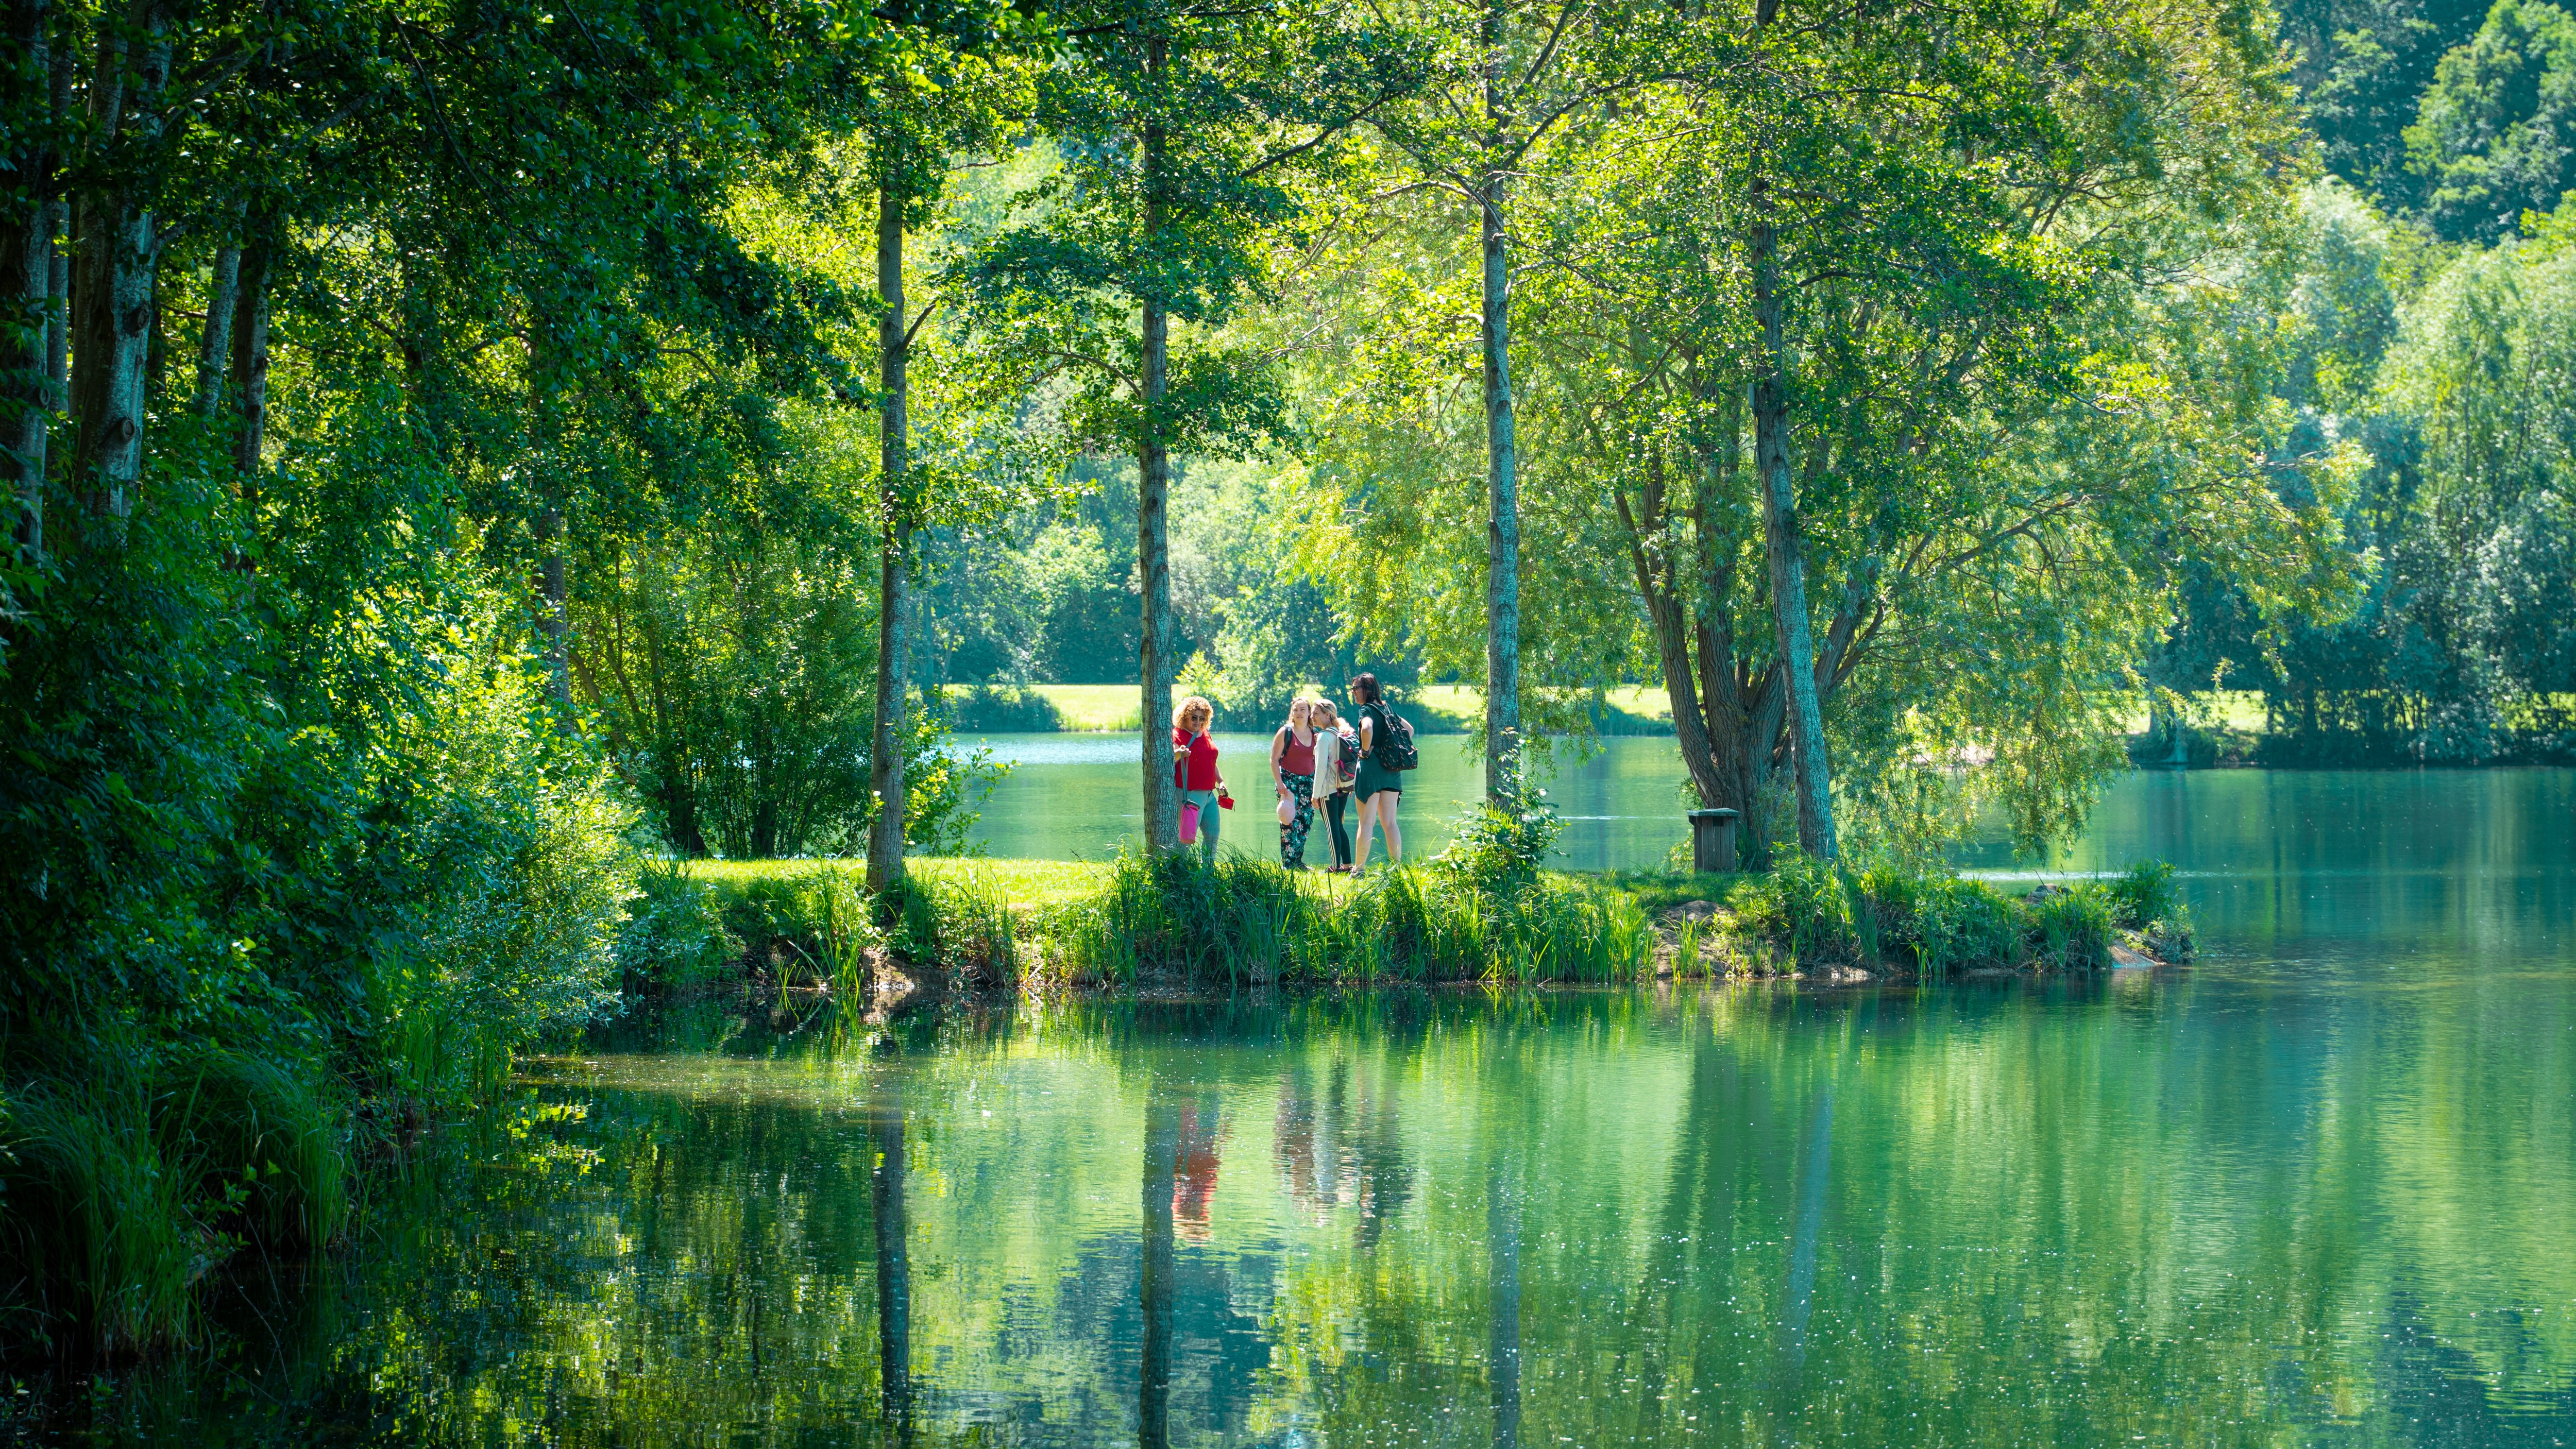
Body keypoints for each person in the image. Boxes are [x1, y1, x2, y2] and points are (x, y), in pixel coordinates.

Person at [1348, 673, 1403, 873]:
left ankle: (1359, 870)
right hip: (1391, 770)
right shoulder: (1387, 708)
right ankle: (1396, 869)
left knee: (1366, 822)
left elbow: (1367, 728)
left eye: (1356, 688)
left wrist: (1364, 750)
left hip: (1371, 768)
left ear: (1368, 690)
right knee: (1390, 823)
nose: (1353, 692)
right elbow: (1409, 730)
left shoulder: (1366, 709)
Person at [1171, 696, 1226, 862]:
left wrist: (1221, 782)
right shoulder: (1176, 735)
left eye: (1202, 718)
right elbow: (1169, 759)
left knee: (1213, 836)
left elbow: (1211, 761)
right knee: (1186, 840)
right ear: (1185, 716)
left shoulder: (1206, 734)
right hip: (1189, 796)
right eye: (1194, 717)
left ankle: (1208, 872)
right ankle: (1179, 871)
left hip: (1209, 796)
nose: (1198, 722)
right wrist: (1180, 753)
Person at [1270, 697, 1321, 868]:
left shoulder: (1315, 734)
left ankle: (1298, 861)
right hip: (1288, 782)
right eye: (1296, 710)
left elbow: (1318, 762)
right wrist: (1279, 782)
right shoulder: (1286, 732)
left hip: (1308, 783)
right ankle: (1288, 863)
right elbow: (1274, 759)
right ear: (1292, 713)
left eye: (1303, 710)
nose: (1299, 713)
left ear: (1309, 713)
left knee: (1305, 822)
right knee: (1289, 821)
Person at [1311, 699, 1357, 872]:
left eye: (1316, 713)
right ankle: (1347, 864)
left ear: (1327, 715)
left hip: (1328, 789)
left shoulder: (1324, 737)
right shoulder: (1340, 733)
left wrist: (1315, 795)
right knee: (1338, 825)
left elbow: (1321, 768)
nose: (1312, 717)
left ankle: (1335, 866)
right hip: (1342, 787)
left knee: (1332, 828)